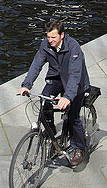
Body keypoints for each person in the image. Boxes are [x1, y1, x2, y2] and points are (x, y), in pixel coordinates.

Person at [18, 19, 90, 167]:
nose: (50, 40)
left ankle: (79, 148)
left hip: (74, 82)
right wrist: (26, 85)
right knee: (44, 105)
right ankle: (52, 136)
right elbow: (36, 64)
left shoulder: (73, 47)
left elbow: (75, 73)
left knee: (72, 116)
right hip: (56, 78)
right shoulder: (46, 44)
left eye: (53, 38)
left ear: (62, 35)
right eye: (48, 37)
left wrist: (68, 97)